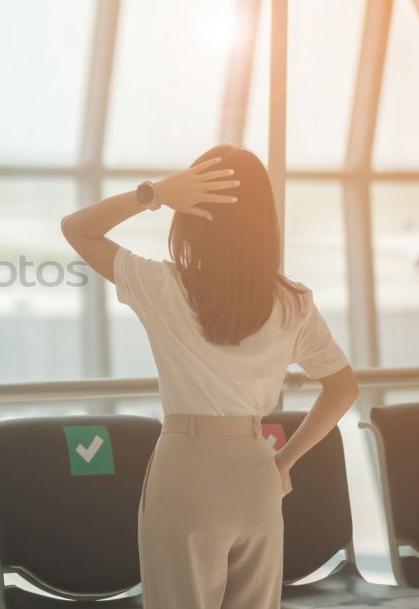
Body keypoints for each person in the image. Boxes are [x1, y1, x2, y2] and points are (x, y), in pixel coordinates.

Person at [60, 145, 358, 609]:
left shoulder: (162, 286)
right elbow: (343, 388)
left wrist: (153, 193)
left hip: (187, 471)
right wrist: (285, 461)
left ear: (191, 215)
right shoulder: (291, 302)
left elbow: (76, 228)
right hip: (257, 471)